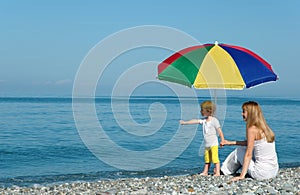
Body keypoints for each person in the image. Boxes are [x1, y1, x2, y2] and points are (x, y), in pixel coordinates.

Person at [221, 101, 279, 181]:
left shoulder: (252, 129)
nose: (241, 114)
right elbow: (249, 143)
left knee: (239, 151)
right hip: (273, 171)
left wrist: (242, 176)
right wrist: (230, 143)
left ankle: (224, 171)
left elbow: (248, 154)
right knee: (243, 148)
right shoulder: (265, 128)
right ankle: (226, 170)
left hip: (261, 173)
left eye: (244, 111)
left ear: (251, 113)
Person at [180, 100, 225, 176]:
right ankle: (205, 171)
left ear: (209, 111)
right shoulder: (204, 121)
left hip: (213, 143)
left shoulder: (214, 120)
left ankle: (217, 172)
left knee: (215, 158)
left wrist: (222, 140)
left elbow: (219, 131)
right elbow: (195, 121)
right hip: (207, 144)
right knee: (207, 158)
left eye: (202, 110)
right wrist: (185, 122)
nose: (201, 111)